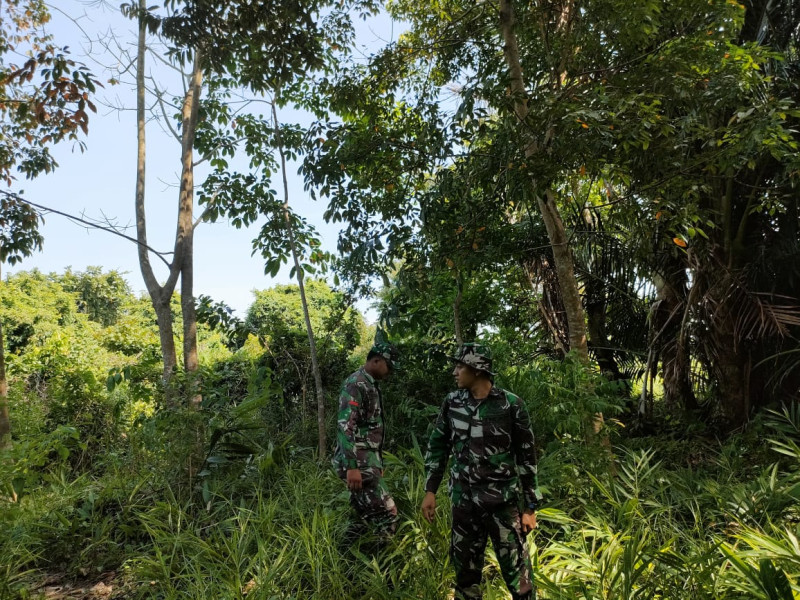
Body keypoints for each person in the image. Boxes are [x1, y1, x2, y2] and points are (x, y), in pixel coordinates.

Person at [421, 343, 542, 600]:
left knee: (520, 577)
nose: (455, 372)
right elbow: (438, 446)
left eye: (460, 366)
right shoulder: (452, 403)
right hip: (464, 504)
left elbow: (527, 457)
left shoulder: (511, 405)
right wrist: (430, 490)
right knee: (465, 576)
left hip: (502, 505)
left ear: (477, 370)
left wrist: (530, 507)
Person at [333, 342, 400, 543]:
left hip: (366, 461)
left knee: (365, 515)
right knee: (389, 515)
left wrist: (377, 463)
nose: (390, 371)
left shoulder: (369, 384)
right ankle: (382, 568)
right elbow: (345, 426)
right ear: (376, 360)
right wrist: (352, 467)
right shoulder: (357, 383)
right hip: (357, 463)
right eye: (389, 366)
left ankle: (349, 559)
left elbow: (369, 429)